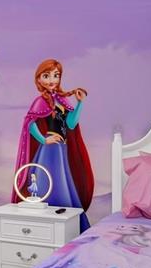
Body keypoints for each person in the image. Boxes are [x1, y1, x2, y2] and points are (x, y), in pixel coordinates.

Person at [13, 59, 94, 231]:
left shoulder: (61, 100)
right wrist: (44, 139)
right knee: (52, 183)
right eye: (46, 76)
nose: (52, 80)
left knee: (63, 181)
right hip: (50, 150)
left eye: (56, 75)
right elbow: (29, 123)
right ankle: (46, 227)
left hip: (61, 149)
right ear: (39, 79)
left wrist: (80, 103)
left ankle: (69, 228)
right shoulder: (40, 101)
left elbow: (71, 124)